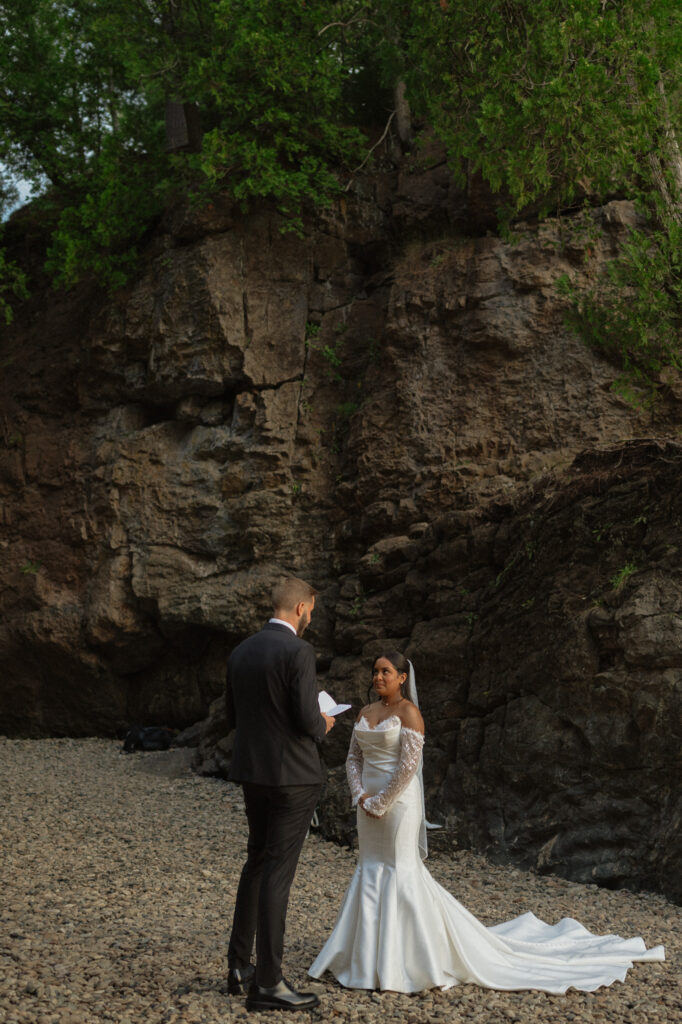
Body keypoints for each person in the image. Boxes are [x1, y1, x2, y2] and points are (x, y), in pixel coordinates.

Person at [309, 651, 665, 994]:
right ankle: (364, 957)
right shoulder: (366, 712)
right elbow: (353, 758)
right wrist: (360, 796)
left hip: (398, 806)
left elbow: (408, 768)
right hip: (367, 806)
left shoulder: (410, 713)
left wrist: (383, 802)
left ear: (402, 678)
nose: (378, 677)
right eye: (375, 671)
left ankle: (409, 959)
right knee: (369, 867)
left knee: (400, 870)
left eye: (386, 671)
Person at [226, 576, 335, 1011]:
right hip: (294, 777)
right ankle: (269, 983)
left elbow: (234, 716)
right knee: (277, 873)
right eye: (312, 610)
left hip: (253, 774)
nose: (311, 617)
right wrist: (325, 722)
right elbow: (309, 721)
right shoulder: (298, 651)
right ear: (302, 608)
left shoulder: (240, 651)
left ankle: (239, 966)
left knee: (256, 861)